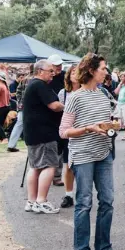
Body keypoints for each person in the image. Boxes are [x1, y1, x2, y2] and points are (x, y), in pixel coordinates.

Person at [60, 53, 125, 250]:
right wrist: (87, 128)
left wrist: (112, 126)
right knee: (84, 202)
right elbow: (64, 131)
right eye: (103, 68)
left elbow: (105, 123)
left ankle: (104, 247)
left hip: (104, 152)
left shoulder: (104, 94)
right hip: (83, 155)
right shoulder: (75, 97)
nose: (106, 72)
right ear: (91, 70)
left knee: (107, 200)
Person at [22, 60, 65, 214]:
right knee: (49, 166)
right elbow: (54, 105)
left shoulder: (32, 85)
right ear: (40, 71)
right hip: (44, 133)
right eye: (50, 71)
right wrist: (65, 106)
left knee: (35, 167)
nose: (53, 74)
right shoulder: (40, 85)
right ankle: (41, 201)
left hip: (33, 133)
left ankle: (31, 200)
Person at [57, 67, 80, 208]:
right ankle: (68, 194)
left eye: (77, 72)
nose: (75, 75)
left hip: (83, 132)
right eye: (72, 72)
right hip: (69, 133)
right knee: (68, 165)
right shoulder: (63, 93)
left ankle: (83, 193)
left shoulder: (86, 91)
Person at [47, 55, 66, 187]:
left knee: (63, 144)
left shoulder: (65, 76)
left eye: (59, 64)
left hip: (64, 113)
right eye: (56, 65)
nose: (58, 67)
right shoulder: (47, 79)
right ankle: (53, 174)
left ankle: (58, 174)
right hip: (51, 113)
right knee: (55, 145)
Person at [7, 73, 28, 153]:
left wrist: (20, 102)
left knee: (18, 125)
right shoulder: (34, 80)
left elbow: (18, 91)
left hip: (22, 106)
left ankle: (11, 145)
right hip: (29, 107)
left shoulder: (24, 80)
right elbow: (18, 91)